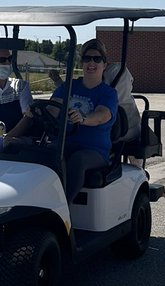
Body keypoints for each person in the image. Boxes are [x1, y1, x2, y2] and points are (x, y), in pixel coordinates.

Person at [50, 38, 118, 201]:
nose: (91, 63)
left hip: (94, 151)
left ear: (104, 64)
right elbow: (52, 109)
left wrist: (84, 118)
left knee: (78, 160)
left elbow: (102, 116)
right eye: (87, 58)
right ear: (81, 63)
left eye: (97, 59)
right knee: (43, 154)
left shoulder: (108, 93)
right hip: (64, 144)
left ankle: (63, 209)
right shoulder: (68, 87)